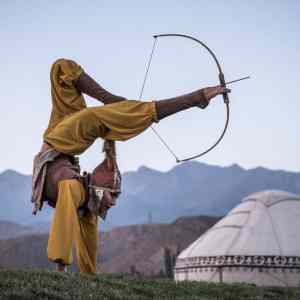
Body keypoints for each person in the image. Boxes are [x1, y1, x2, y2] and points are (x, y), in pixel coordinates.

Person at [31, 58, 230, 275]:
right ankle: (62, 266)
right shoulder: (87, 124)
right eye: (114, 195)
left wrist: (113, 103)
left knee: (85, 206)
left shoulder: (80, 134)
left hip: (62, 152)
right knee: (73, 184)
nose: (114, 203)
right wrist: (196, 97)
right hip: (56, 157)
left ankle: (88, 274)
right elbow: (137, 114)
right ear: (101, 189)